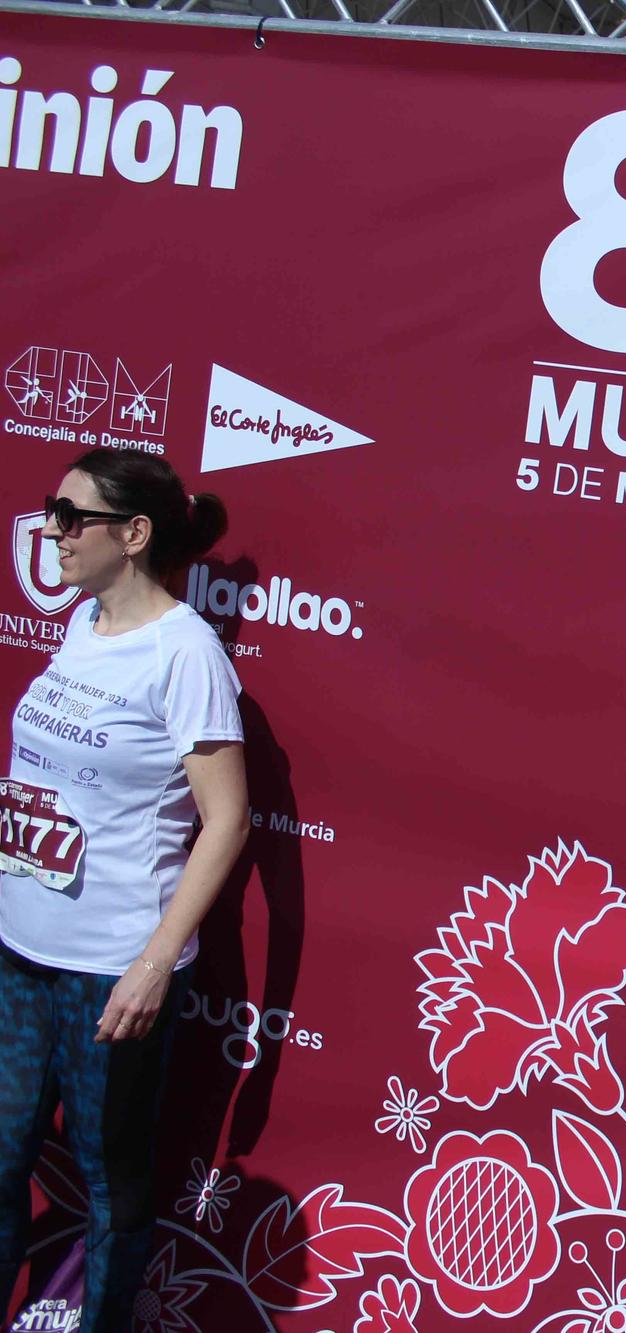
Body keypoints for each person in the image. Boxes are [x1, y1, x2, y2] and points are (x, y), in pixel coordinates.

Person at [0, 450, 249, 1331]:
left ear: (133, 535)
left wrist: (151, 964)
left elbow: (226, 820)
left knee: (112, 1181)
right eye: (51, 513)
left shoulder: (187, 654)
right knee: (1, 1159)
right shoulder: (82, 624)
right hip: (21, 952)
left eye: (72, 518)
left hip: (111, 967)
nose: (53, 532)